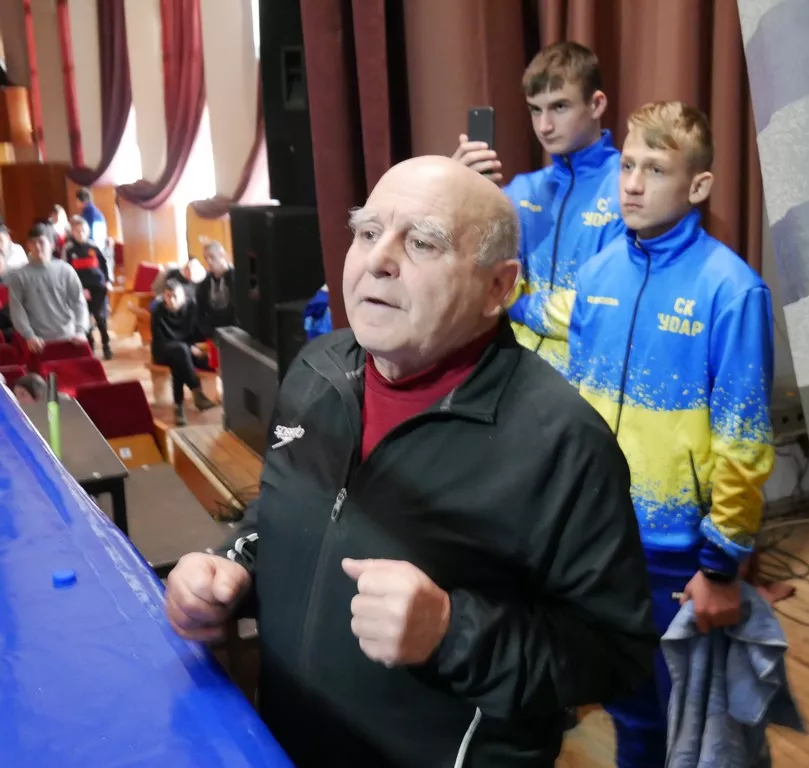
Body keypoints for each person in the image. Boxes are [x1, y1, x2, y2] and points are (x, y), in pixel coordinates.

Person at [163, 156, 659, 767]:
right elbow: (288, 514)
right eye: (368, 232)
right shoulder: (315, 373)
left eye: (422, 242)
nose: (378, 259)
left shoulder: (562, 442)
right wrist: (229, 566)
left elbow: (615, 655)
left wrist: (450, 631)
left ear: (498, 288)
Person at [545, 102, 776, 767]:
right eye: (626, 165)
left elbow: (743, 442)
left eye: (654, 169)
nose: (632, 184)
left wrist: (721, 567)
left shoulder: (731, 290)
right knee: (632, 715)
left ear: (697, 185)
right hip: (600, 544)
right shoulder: (597, 276)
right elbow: (576, 407)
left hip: (680, 557)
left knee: (702, 732)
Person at [452, 41, 624, 376]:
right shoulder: (520, 192)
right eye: (535, 109)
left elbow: (602, 312)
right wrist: (460, 194)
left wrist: (515, 304)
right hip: (516, 382)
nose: (544, 126)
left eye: (559, 107)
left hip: (593, 385)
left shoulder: (629, 190)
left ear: (596, 104)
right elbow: (474, 281)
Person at [6, 222, 90, 354]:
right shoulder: (19, 276)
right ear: (28, 246)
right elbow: (17, 309)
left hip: (70, 338)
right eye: (33, 243)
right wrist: (29, 335)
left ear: (52, 244)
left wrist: (80, 330)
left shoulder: (66, 270)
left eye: (41, 242)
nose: (37, 247)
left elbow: (79, 302)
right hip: (38, 343)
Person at [150, 279, 217, 426]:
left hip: (184, 352)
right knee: (180, 352)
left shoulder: (191, 307)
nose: (171, 300)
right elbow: (161, 340)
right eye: (168, 296)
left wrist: (195, 347)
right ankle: (196, 392)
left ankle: (179, 407)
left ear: (183, 296)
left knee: (179, 360)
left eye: (175, 296)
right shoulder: (158, 311)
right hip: (163, 350)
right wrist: (189, 347)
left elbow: (197, 334)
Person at [63, 215, 113, 359]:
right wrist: (79, 290)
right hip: (81, 290)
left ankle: (106, 345)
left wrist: (108, 281)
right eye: (77, 231)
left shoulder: (94, 246)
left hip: (98, 288)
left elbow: (105, 264)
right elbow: (67, 273)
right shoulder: (68, 249)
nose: (81, 233)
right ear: (72, 232)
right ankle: (90, 348)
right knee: (85, 320)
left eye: (83, 230)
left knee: (100, 317)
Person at [195, 240, 234, 337]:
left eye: (212, 257)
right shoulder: (205, 283)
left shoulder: (236, 278)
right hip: (213, 332)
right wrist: (207, 332)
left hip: (235, 332)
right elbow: (199, 311)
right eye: (206, 258)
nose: (208, 261)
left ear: (222, 256)